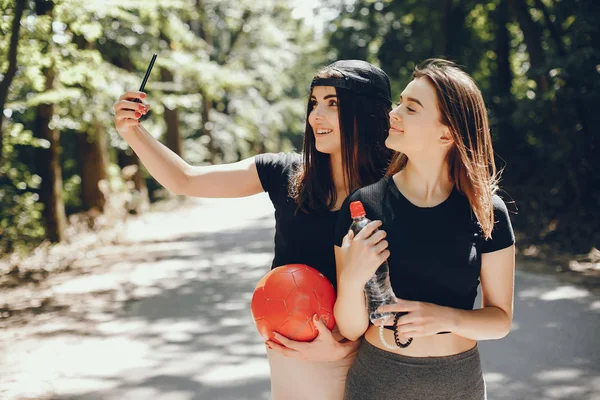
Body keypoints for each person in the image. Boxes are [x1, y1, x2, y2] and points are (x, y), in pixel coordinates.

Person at [113, 60, 394, 400]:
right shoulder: (284, 172)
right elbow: (184, 179)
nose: (315, 116)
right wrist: (133, 132)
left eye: (332, 104)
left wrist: (346, 348)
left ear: (367, 113)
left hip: (380, 355)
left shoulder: (396, 189)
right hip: (297, 353)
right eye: (314, 103)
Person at [333, 59, 516, 400]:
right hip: (377, 381)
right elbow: (351, 327)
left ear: (446, 132)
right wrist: (352, 279)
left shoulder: (488, 211)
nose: (394, 113)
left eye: (411, 108)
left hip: (459, 384)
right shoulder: (363, 207)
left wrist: (444, 317)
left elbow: (500, 319)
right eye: (400, 102)